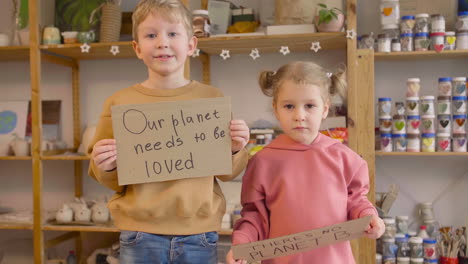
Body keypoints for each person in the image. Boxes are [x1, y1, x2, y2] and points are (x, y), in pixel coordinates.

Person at [88, 0, 249, 263]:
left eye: (172, 33)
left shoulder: (211, 99)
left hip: (199, 233)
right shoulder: (119, 104)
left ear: (191, 45)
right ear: (137, 48)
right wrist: (105, 165)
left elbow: (227, 172)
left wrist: (235, 148)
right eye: (151, 35)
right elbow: (109, 176)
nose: (162, 42)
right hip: (140, 234)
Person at [226, 61, 385, 264]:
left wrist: (369, 217)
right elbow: (254, 216)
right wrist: (241, 244)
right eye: (289, 106)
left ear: (325, 109)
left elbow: (357, 201)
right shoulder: (263, 162)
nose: (299, 116)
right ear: (276, 109)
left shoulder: (346, 159)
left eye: (309, 106)